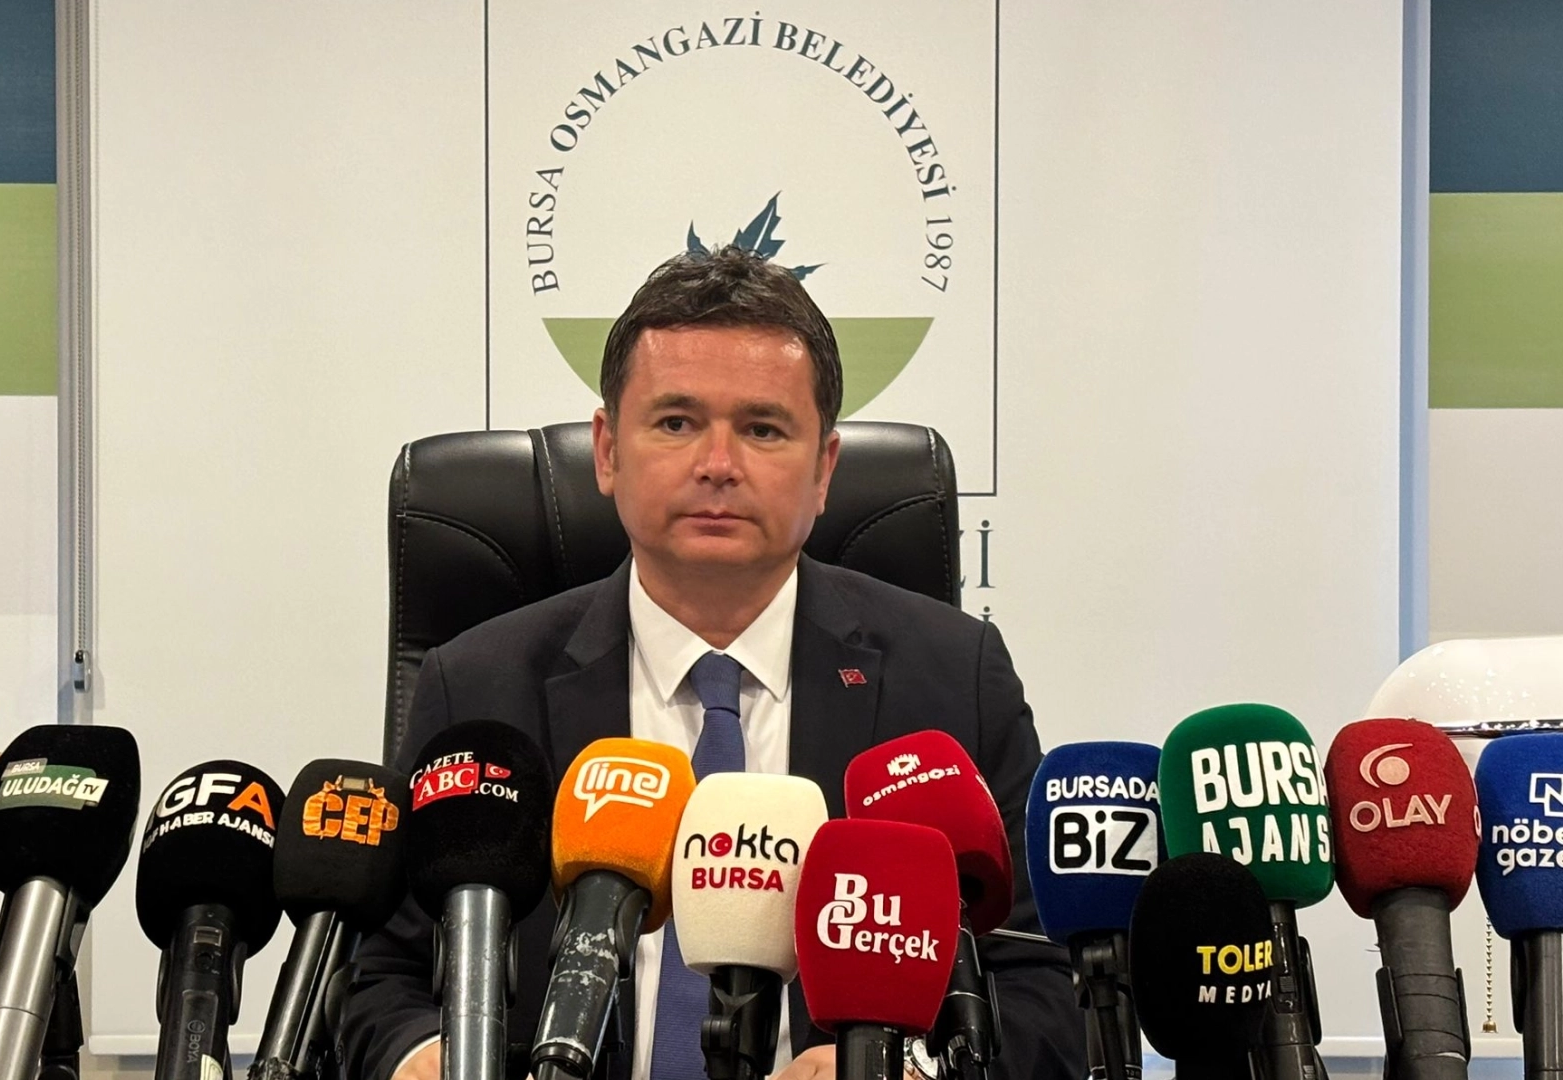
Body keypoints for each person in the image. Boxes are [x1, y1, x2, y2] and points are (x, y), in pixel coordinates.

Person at [339, 246, 1084, 1080]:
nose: (718, 465)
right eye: (675, 422)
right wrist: (421, 1057)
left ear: (824, 469)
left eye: (763, 429)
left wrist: (898, 1067)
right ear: (607, 451)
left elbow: (1042, 989)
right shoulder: (477, 687)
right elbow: (379, 979)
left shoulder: (951, 679)